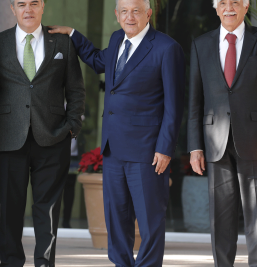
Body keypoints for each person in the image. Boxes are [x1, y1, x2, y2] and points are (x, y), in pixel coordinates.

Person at [48, 0, 185, 265]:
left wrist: (165, 147)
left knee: (150, 223)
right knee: (116, 220)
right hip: (112, 150)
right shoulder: (116, 39)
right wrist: (73, 34)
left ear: (148, 13)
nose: (130, 16)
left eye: (136, 11)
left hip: (148, 153)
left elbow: (174, 105)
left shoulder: (167, 48)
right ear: (116, 15)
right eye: (124, 11)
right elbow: (98, 60)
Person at [187, 0, 257, 266]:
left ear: (246, 6)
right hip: (215, 143)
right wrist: (195, 146)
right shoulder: (201, 44)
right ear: (215, 7)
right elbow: (195, 101)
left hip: (256, 143)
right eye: (223, 2)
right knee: (221, 219)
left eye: (235, 2)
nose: (228, 7)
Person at [0, 0, 85, 266]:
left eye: (34, 3)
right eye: (21, 4)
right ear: (12, 9)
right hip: (9, 138)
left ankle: (44, 263)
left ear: (43, 7)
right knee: (10, 210)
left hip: (54, 137)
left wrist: (72, 126)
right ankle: (10, 262)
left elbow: (76, 89)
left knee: (48, 211)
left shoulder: (62, 43)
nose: (28, 9)